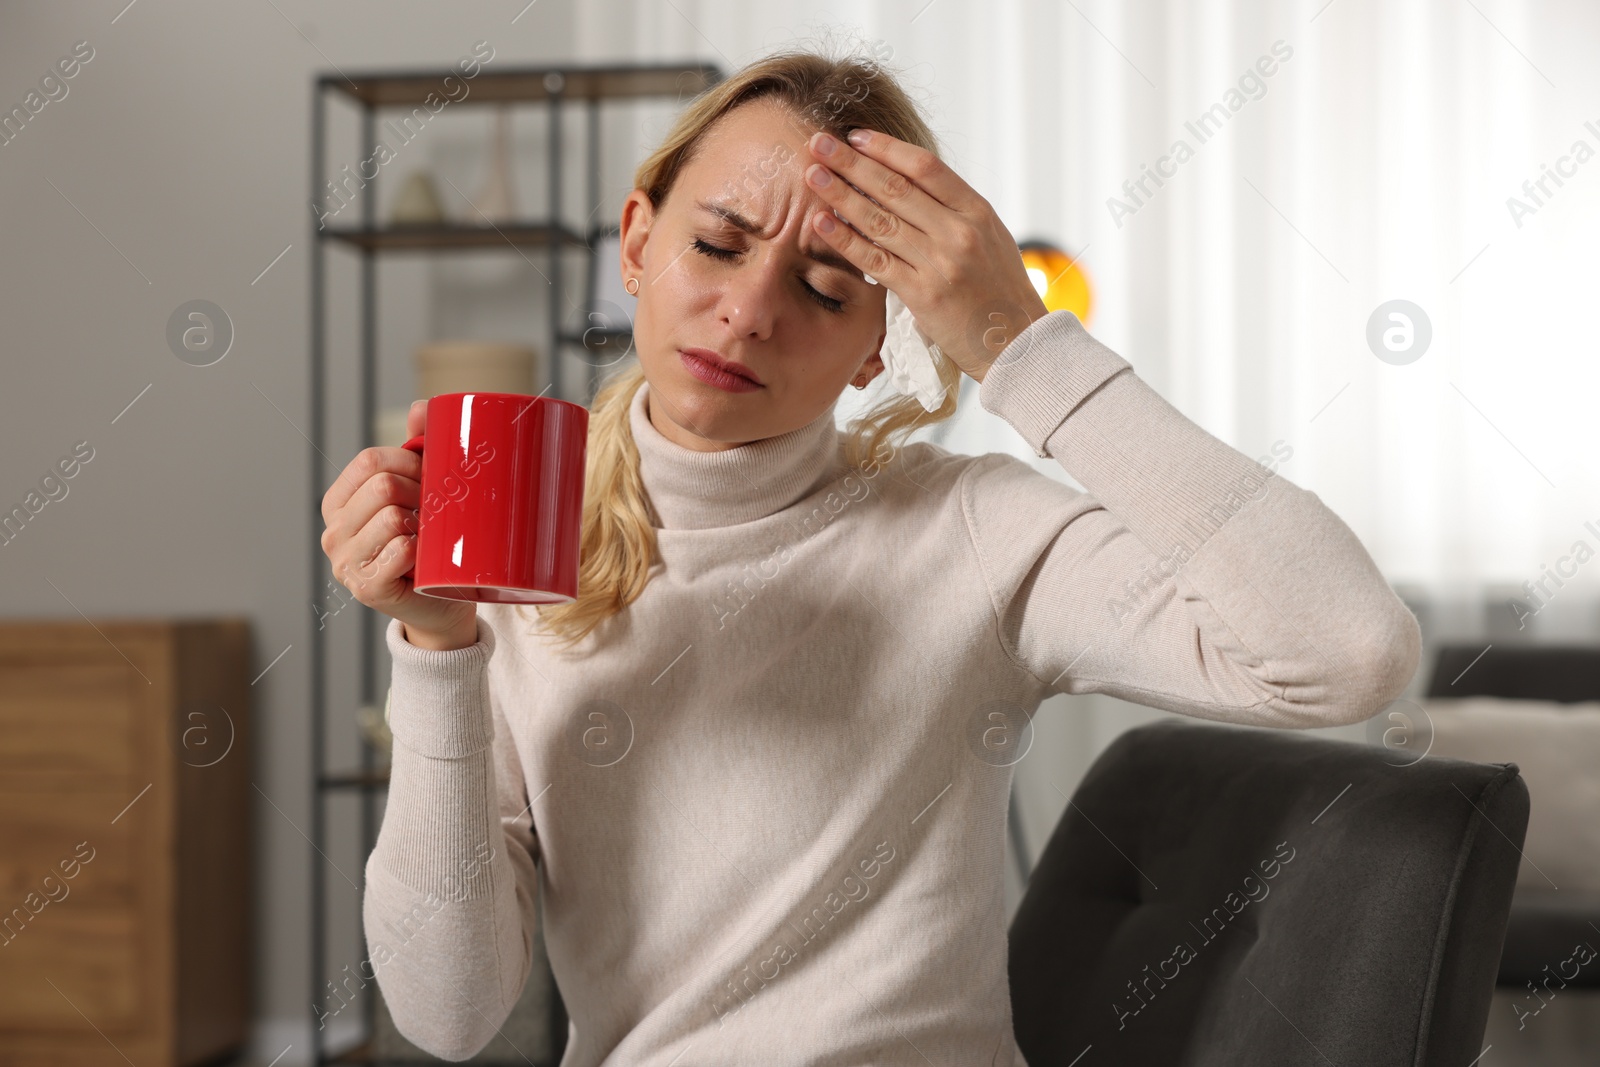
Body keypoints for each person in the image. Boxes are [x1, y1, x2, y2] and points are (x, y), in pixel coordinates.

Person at [318, 44, 1420, 1067]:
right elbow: (448, 1013)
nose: (748, 310)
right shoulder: (519, 556)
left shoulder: (972, 530)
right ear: (637, 242)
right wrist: (436, 642)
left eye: (823, 289)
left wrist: (1016, 346)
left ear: (871, 351)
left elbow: (1346, 650)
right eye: (715, 244)